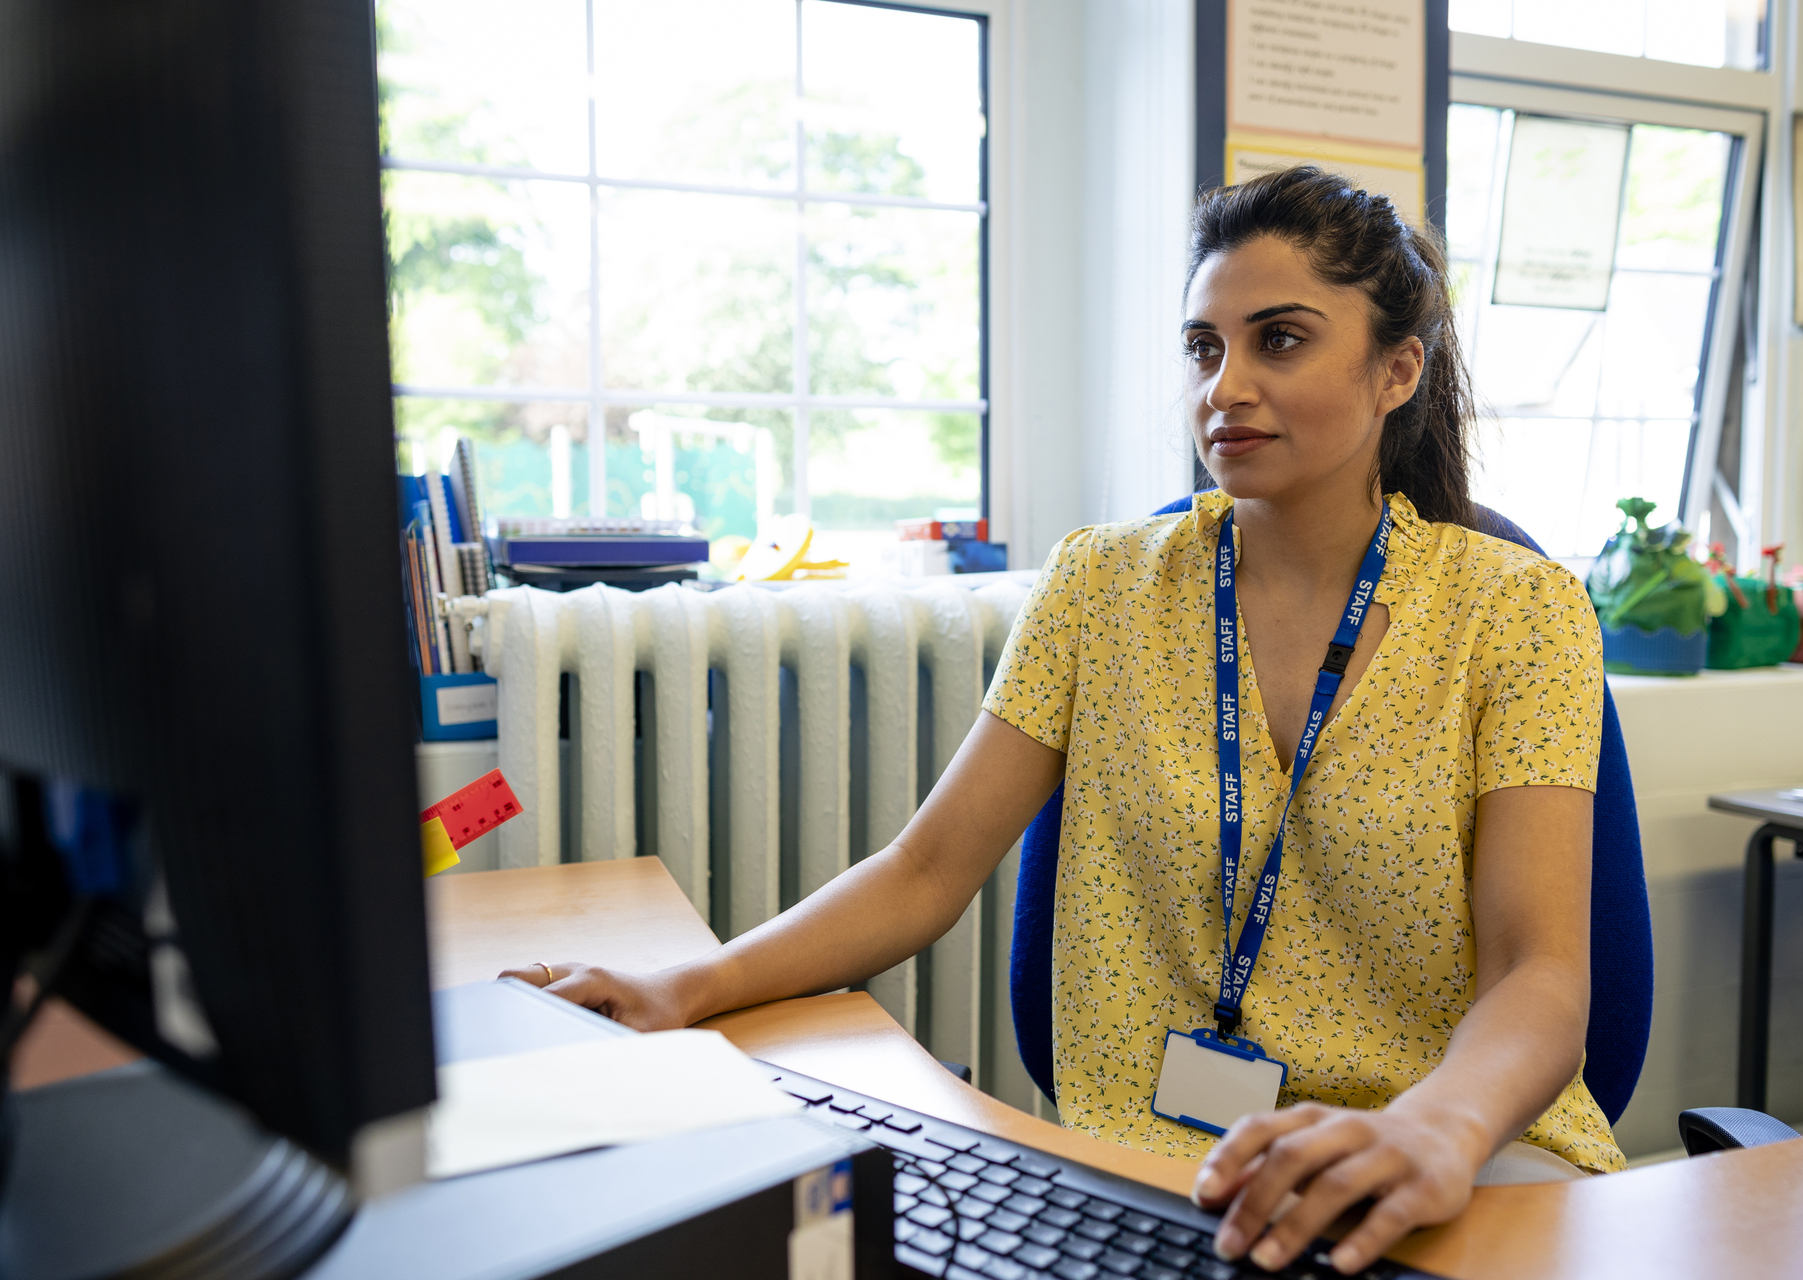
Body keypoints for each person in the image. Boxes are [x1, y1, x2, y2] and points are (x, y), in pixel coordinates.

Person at [504, 166, 1623, 1274]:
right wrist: (684, 987)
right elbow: (927, 866)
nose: (1224, 386)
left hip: (1444, 1158)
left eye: (1279, 339)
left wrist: (1433, 1127)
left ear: (1396, 369)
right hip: (1160, 1164)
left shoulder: (1517, 608)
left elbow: (1541, 970)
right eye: (1203, 346)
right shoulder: (1101, 585)